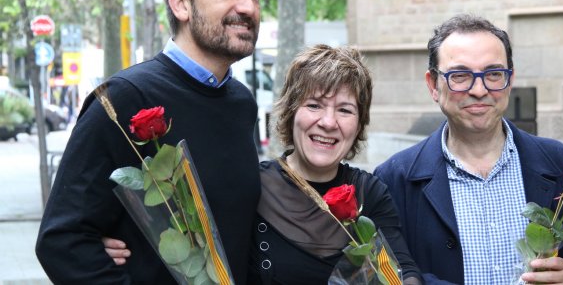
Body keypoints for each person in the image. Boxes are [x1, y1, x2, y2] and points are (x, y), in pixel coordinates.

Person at [35, 0, 264, 284]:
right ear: (180, 3)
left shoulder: (241, 103)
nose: (247, 6)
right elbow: (62, 241)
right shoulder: (124, 100)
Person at [104, 44, 423, 284]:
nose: (328, 122)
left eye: (345, 110)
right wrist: (115, 244)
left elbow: (403, 268)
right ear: (290, 113)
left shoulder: (371, 193)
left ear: (359, 123)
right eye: (314, 105)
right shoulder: (251, 186)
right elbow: (188, 239)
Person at [374, 14, 563, 284]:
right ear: (433, 85)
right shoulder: (394, 179)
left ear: (511, 79)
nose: (480, 89)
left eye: (494, 74)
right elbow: (386, 272)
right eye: (460, 76)